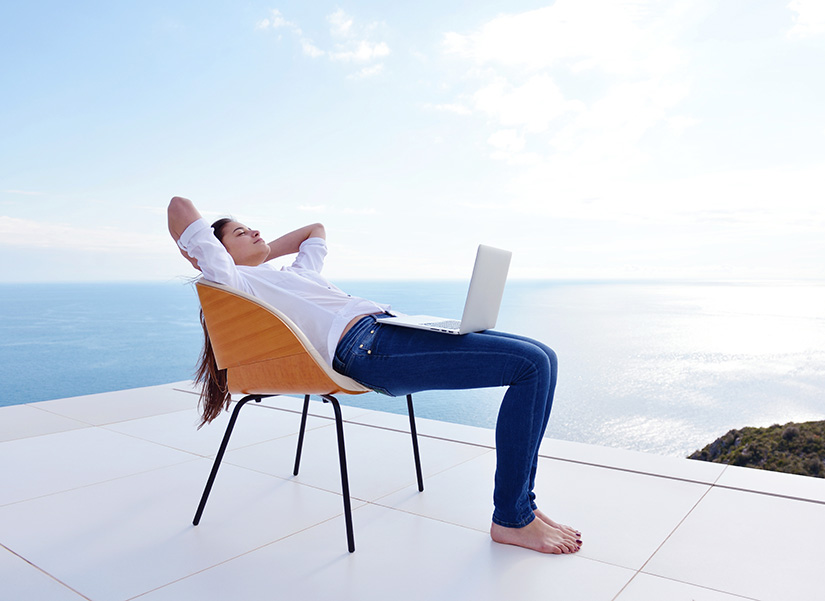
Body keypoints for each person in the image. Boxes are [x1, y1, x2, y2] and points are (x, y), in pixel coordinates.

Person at [167, 196, 582, 554]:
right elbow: (179, 207)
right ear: (213, 252)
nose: (255, 231)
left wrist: (258, 248)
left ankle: (521, 505)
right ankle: (512, 517)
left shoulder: (294, 276)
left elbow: (315, 229)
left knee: (544, 357)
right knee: (530, 366)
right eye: (241, 232)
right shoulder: (233, 280)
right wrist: (208, 254)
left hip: (390, 329)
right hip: (368, 349)